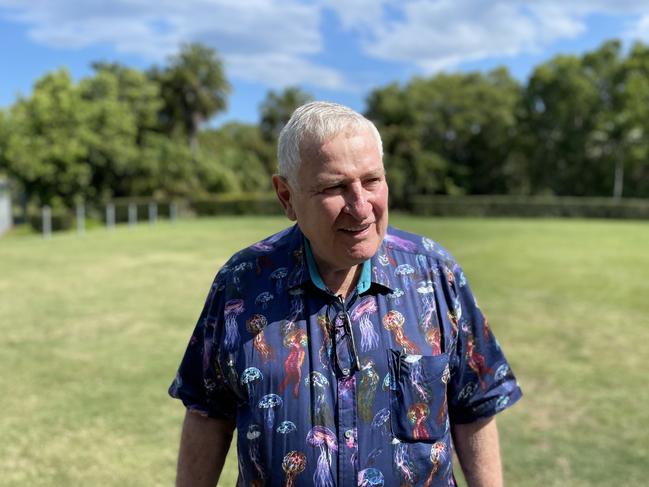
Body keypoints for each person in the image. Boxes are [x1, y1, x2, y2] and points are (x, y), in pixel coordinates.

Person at [169, 101, 522, 487]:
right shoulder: (242, 282)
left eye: (372, 181)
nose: (360, 206)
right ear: (286, 196)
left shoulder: (436, 274)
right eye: (334, 187)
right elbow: (207, 412)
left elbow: (475, 406)